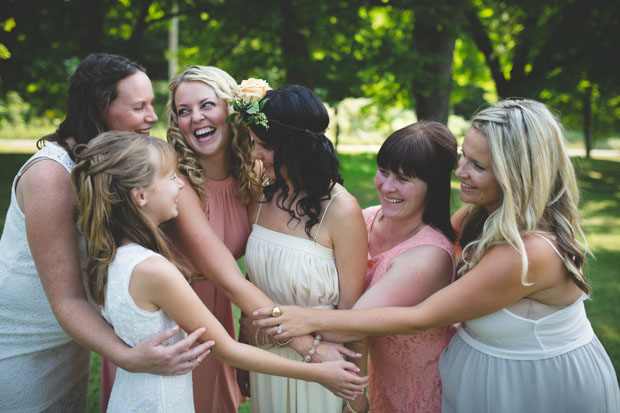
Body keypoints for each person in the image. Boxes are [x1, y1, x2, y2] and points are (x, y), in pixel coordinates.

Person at [254, 99, 620, 412]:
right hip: (485, 376)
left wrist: (304, 319)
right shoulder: (484, 213)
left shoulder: (529, 253)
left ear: (516, 175)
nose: (459, 172)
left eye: (477, 166)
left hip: (536, 383)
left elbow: (419, 316)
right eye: (464, 156)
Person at [71, 131, 369, 412]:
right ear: (140, 196)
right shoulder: (155, 270)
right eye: (171, 177)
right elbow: (225, 349)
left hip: (128, 397)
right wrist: (317, 372)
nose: (179, 185)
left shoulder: (111, 258)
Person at [0, 53, 211, 413]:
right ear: (99, 109)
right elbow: (65, 299)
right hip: (24, 343)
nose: (153, 117)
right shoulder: (50, 176)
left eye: (152, 104)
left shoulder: (114, 165)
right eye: (138, 107)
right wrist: (127, 357)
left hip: (75, 335)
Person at [241, 85, 368, 413]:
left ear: (294, 148)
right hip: (266, 361)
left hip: (323, 367)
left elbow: (354, 316)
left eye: (264, 146)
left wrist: (355, 396)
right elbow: (249, 291)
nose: (255, 155)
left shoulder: (341, 210)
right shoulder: (260, 196)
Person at [330, 121, 458, 413]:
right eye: (383, 171)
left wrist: (282, 321)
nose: (387, 186)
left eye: (402, 178)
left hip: (413, 391)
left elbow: (352, 325)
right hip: (364, 377)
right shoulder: (365, 219)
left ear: (433, 186)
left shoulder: (429, 255)